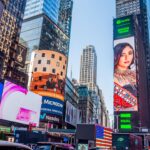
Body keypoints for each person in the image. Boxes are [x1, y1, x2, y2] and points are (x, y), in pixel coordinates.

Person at [114, 42, 137, 111]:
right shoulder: (114, 77)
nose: (127, 58)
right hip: (126, 114)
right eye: (122, 55)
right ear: (116, 56)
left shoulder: (136, 73)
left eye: (130, 53)